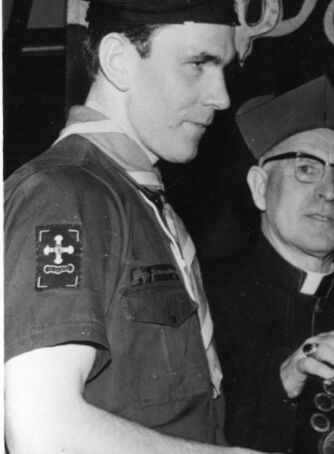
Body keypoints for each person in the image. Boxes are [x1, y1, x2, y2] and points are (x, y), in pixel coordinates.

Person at [4, 1, 269, 452]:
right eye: (197, 64)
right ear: (119, 61)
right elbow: (40, 430)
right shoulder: (65, 195)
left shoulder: (137, 198)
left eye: (223, 68)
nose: (222, 97)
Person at [203, 75, 334, 452]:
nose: (329, 190)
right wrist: (284, 380)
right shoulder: (201, 298)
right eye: (306, 169)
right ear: (259, 188)